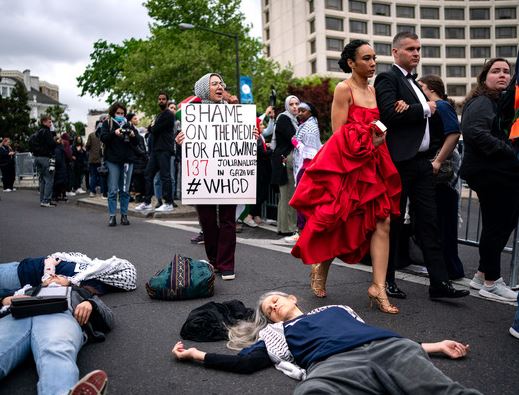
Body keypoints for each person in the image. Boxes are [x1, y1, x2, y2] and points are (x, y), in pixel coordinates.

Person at [172, 291, 482, 395]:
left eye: (276, 301)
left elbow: (366, 333)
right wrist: (196, 355)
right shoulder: (275, 334)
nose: (274, 307)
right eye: (269, 311)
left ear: (292, 298)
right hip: (334, 364)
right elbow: (244, 362)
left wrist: (435, 345)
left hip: (388, 347)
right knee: (311, 392)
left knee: (444, 391)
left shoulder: (337, 309)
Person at [289, 40, 400, 315]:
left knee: (383, 222)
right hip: (348, 166)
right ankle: (320, 267)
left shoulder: (374, 90)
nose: (373, 63)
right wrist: (367, 143)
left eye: (374, 58)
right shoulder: (343, 88)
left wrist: (378, 138)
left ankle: (378, 287)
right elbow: (339, 134)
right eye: (366, 58)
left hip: (374, 164)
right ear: (352, 62)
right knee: (338, 222)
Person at [374, 32, 469, 300]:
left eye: (419, 49)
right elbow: (389, 114)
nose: (416, 53)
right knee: (392, 222)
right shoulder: (387, 78)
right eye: (410, 49)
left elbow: (409, 114)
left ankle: (440, 284)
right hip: (399, 162)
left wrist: (415, 108)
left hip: (422, 164)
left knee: (430, 222)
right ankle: (387, 281)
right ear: (395, 52)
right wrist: (425, 108)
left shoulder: (416, 85)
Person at [459, 58, 519, 302]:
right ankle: (492, 283)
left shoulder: (495, 103)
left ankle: (482, 275)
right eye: (496, 71)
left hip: (492, 172)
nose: (503, 75)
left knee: (499, 224)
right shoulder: (483, 101)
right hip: (490, 173)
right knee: (497, 226)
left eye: (506, 71)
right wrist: (510, 151)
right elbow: (475, 133)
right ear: (484, 78)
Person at [0, 277, 114, 395]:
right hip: (17, 316)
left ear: (69, 282)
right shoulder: (28, 291)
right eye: (49, 277)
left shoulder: (79, 292)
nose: (54, 276)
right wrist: (4, 300)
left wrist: (91, 303)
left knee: (56, 348)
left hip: (59, 315)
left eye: (60, 276)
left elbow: (109, 318)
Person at [175, 74, 239, 280]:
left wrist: (251, 135)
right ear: (204, 89)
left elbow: (242, 141)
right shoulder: (192, 115)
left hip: (227, 172)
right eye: (214, 84)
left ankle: (227, 263)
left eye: (221, 83)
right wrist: (180, 141)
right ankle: (214, 261)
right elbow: (182, 149)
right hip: (203, 175)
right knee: (208, 220)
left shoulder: (234, 113)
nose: (220, 86)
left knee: (228, 219)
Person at [417, 75, 465, 280]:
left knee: (443, 224)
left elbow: (454, 133)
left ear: (431, 89)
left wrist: (437, 161)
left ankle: (450, 269)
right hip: (440, 173)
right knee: (438, 223)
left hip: (442, 175)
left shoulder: (441, 106)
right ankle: (446, 268)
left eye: (421, 87)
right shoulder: (434, 107)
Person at [0, 252, 137, 298]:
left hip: (19, 276)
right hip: (23, 265)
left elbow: (50, 284)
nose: (112, 262)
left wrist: (50, 265)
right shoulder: (92, 267)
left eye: (117, 267)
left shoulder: (90, 283)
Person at [285, 102, 322, 244]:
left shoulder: (311, 127)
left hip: (306, 167)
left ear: (310, 113)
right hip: (303, 166)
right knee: (302, 201)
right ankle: (303, 231)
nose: (299, 113)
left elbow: (310, 151)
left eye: (303, 111)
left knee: (301, 201)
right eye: (298, 111)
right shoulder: (306, 125)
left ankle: (302, 232)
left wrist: (296, 143)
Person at [135, 92, 176, 213]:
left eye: (163, 99)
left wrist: (152, 127)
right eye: (159, 99)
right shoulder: (159, 115)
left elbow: (154, 129)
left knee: (165, 176)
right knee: (148, 174)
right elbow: (151, 128)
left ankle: (168, 203)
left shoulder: (168, 114)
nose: (161, 101)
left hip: (164, 149)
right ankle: (147, 202)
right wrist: (151, 127)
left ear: (167, 101)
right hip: (156, 150)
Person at [99, 102, 138, 227]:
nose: (120, 115)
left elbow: (137, 141)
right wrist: (114, 133)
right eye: (118, 113)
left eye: (122, 113)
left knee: (125, 190)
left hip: (127, 161)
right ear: (113, 113)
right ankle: (112, 216)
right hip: (113, 161)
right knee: (113, 190)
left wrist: (132, 134)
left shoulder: (128, 124)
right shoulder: (107, 123)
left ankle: (124, 216)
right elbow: (103, 138)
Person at [271, 95, 300, 236]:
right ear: (287, 106)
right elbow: (293, 138)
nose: (295, 106)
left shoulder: (294, 120)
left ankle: (284, 227)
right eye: (292, 104)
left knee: (286, 195)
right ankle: (288, 228)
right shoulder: (284, 118)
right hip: (285, 159)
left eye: (297, 103)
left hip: (285, 159)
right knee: (288, 195)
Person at [32, 115, 57, 207]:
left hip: (37, 158)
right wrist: (56, 141)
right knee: (49, 179)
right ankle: (46, 200)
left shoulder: (38, 131)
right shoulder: (46, 131)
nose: (51, 124)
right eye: (49, 122)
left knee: (42, 180)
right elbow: (51, 144)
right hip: (45, 158)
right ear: (44, 122)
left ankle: (42, 200)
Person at [85, 122, 105, 197]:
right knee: (101, 176)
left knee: (93, 176)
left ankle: (92, 192)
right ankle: (102, 192)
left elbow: (87, 146)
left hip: (92, 159)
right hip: (101, 159)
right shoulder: (103, 135)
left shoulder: (91, 135)